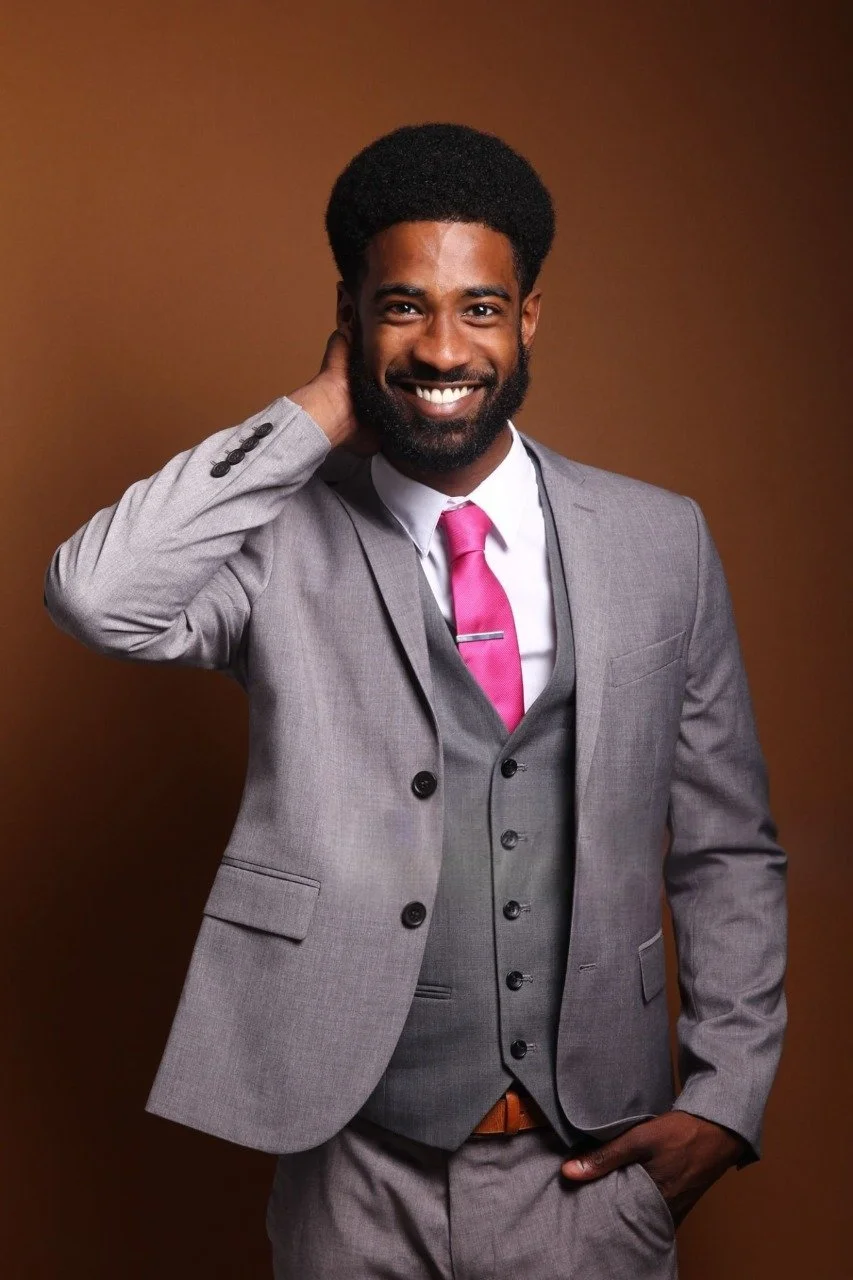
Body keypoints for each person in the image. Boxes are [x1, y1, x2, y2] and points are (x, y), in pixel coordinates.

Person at [43, 123, 788, 1279]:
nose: (444, 345)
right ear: (350, 316)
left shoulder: (659, 541)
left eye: (479, 308)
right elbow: (98, 596)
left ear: (527, 316)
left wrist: (726, 1094)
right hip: (352, 1167)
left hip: (590, 1169)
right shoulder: (275, 544)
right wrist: (314, 412)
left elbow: (727, 843)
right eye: (403, 306)